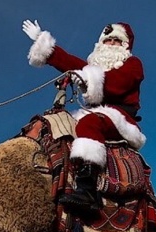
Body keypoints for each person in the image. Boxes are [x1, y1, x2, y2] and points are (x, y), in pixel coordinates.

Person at [22, 19, 146, 213]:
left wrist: (90, 78)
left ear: (125, 45)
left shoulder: (133, 64)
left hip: (118, 116)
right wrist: (42, 41)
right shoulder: (93, 66)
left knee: (89, 124)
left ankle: (88, 190)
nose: (111, 44)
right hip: (91, 111)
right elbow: (70, 62)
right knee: (51, 124)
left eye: (116, 41)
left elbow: (118, 84)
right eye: (108, 40)